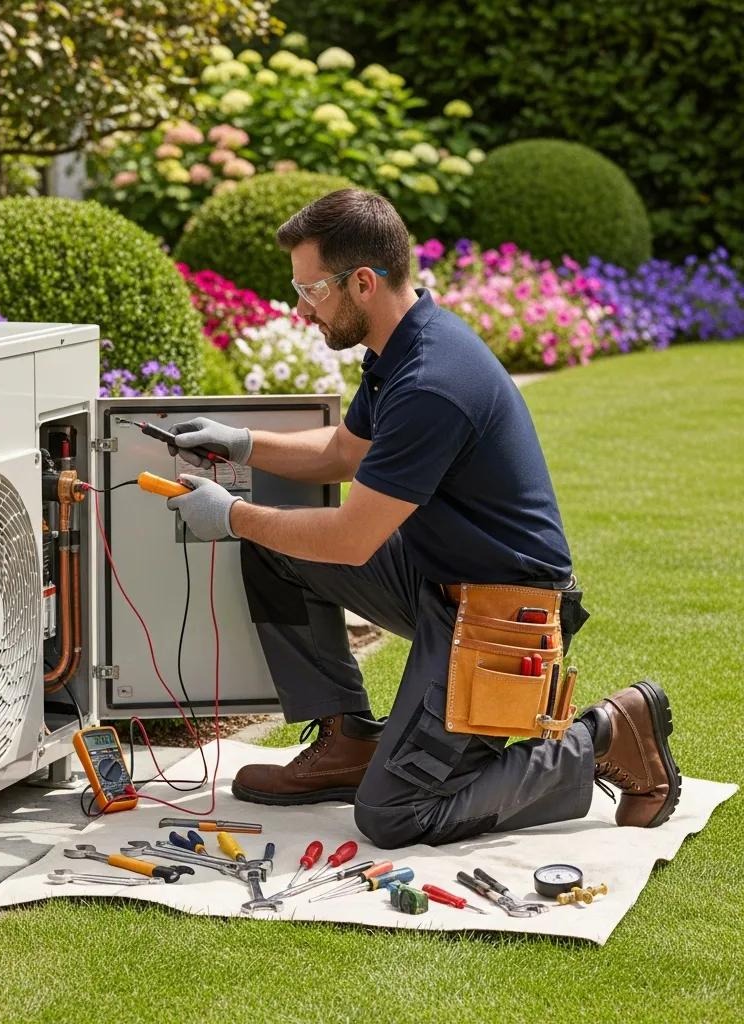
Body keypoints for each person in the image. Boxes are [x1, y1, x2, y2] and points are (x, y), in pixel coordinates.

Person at [166, 188, 680, 849]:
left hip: (505, 617)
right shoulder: (395, 349)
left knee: (395, 815)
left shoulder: (432, 379)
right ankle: (349, 741)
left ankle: (607, 736)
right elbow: (346, 451)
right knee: (275, 546)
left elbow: (353, 540)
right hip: (439, 580)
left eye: (311, 291)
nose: (300, 311)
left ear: (361, 282)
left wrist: (233, 514)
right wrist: (241, 442)